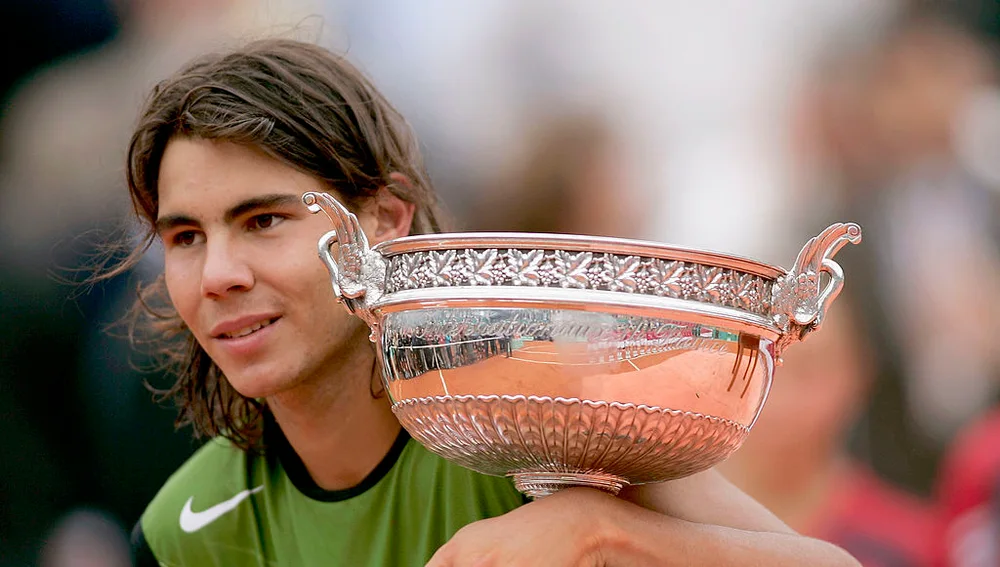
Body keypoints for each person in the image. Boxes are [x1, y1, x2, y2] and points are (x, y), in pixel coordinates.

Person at [118, 38, 861, 566]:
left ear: (386, 221)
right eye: (185, 236)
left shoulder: (543, 417)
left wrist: (603, 533)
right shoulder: (184, 530)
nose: (217, 273)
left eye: (263, 221)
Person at [718, 293, 937, 566]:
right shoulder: (657, 523)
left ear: (860, 375)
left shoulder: (911, 543)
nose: (781, 397)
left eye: (809, 370)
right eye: (757, 362)